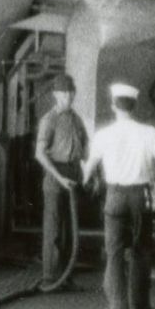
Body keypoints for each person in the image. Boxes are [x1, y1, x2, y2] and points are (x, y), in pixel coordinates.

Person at [85, 80, 155, 309]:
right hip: (140, 197)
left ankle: (117, 306)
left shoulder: (103, 135)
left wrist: (80, 178)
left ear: (113, 105)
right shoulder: (149, 133)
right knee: (141, 251)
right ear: (134, 106)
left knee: (113, 252)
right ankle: (142, 304)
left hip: (114, 196)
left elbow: (88, 169)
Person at [33, 73, 90, 291]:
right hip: (56, 174)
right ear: (56, 94)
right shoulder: (49, 119)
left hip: (73, 173)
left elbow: (85, 149)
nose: (68, 96)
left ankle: (65, 277)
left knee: (68, 228)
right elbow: (40, 154)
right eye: (64, 92)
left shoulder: (76, 119)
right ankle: (50, 278)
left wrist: (90, 172)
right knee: (54, 228)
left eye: (71, 92)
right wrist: (60, 178)